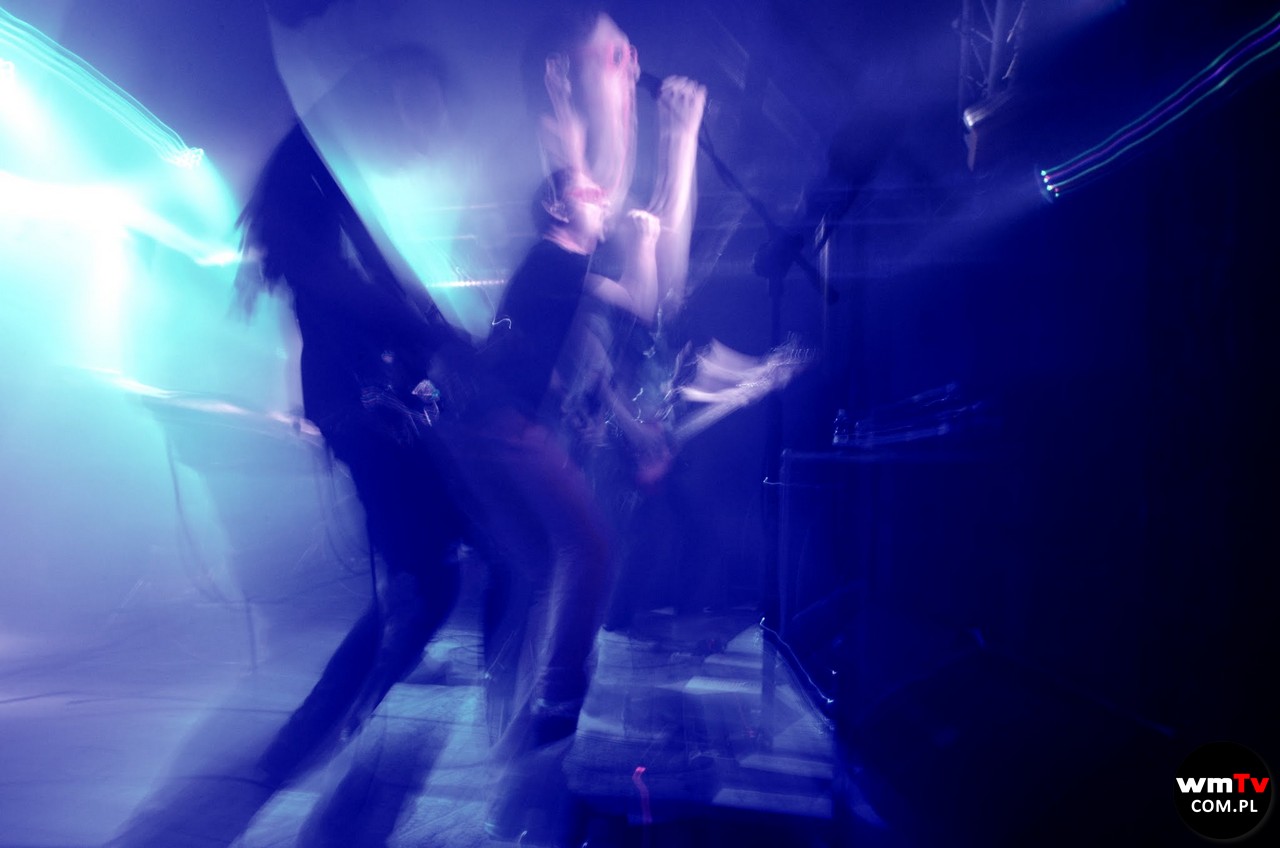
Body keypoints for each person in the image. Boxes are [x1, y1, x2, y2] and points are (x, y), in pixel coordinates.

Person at [448, 165, 659, 842]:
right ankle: (558, 702)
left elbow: (542, 349)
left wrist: (576, 402)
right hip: (501, 427)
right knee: (589, 548)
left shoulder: (548, 269)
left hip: (484, 429)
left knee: (540, 568)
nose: (604, 200)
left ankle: (519, 726)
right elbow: (642, 303)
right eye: (589, 193)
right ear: (557, 207)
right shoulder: (557, 257)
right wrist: (645, 240)